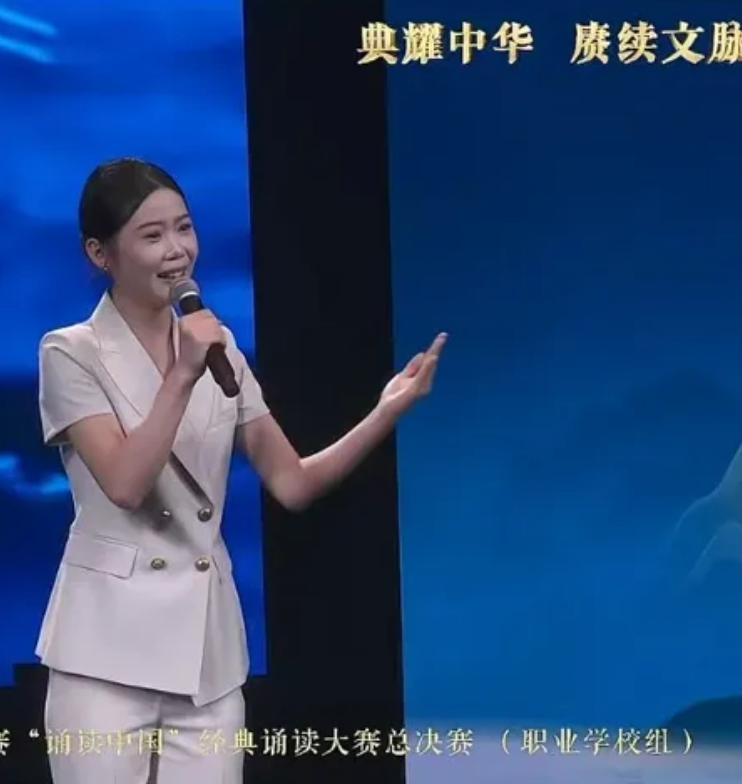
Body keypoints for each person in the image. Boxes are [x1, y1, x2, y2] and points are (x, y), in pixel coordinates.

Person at [36, 157, 445, 784]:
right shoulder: (69, 352)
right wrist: (182, 374)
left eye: (184, 228)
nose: (177, 250)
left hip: (207, 657)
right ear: (100, 252)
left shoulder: (218, 347)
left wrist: (385, 412)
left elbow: (293, 482)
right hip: (103, 655)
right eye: (152, 235)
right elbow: (124, 483)